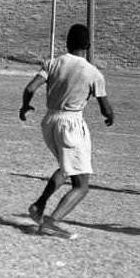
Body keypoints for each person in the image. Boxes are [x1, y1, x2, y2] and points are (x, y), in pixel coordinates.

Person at [18, 23, 114, 240]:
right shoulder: (93, 72)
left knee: (66, 167)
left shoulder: (53, 63)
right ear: (88, 45)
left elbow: (30, 88)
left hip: (49, 121)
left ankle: (39, 206)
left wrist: (25, 107)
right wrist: (110, 115)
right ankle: (52, 223)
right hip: (71, 125)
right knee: (82, 185)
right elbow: (105, 107)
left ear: (67, 43)